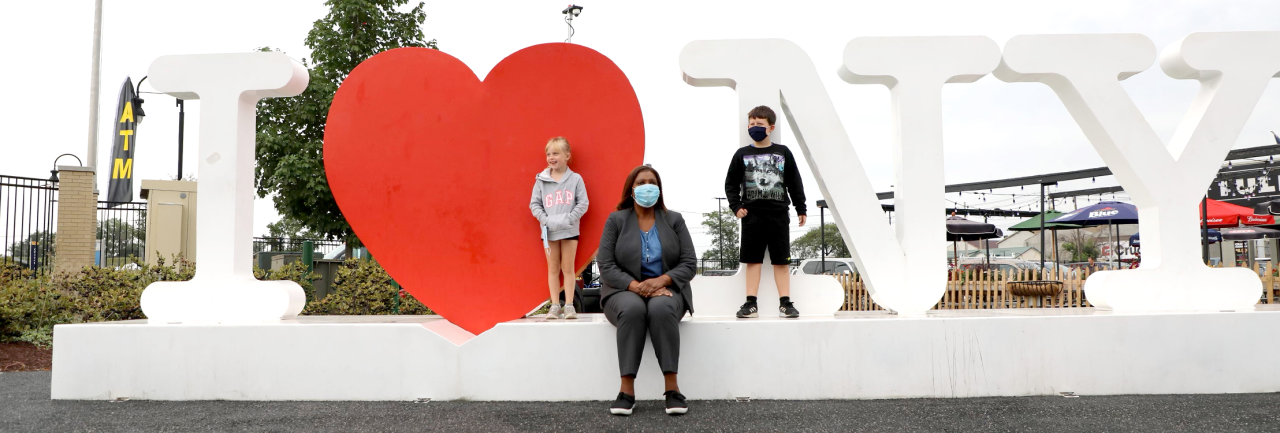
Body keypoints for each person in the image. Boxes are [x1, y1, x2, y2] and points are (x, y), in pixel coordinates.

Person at [597, 165, 697, 416]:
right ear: (631, 189)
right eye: (640, 183)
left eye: (651, 182)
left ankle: (672, 390)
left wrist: (662, 281)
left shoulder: (674, 220)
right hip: (622, 291)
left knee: (661, 308)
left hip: (667, 291)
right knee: (632, 309)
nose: (646, 187)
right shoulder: (616, 220)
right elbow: (606, 265)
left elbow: (689, 263)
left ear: (659, 189)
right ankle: (626, 391)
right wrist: (637, 287)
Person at [724, 105, 806, 319]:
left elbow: (794, 181)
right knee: (753, 260)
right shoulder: (741, 154)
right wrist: (736, 207)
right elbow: (731, 184)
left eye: (759, 124)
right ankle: (751, 303)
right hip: (752, 216)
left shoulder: (783, 152)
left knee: (781, 260)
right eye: (751, 124)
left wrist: (801, 207)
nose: (754, 127)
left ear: (770, 127)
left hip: (779, 215)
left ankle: (785, 303)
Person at [529, 137, 589, 320]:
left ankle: (569, 305)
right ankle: (555, 305)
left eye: (555, 153)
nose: (551, 157)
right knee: (553, 268)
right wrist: (545, 220)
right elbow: (534, 204)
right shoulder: (541, 180)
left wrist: (570, 219)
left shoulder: (576, 179)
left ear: (567, 156)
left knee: (568, 267)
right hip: (548, 232)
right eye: (548, 154)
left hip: (570, 231)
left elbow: (583, 203)